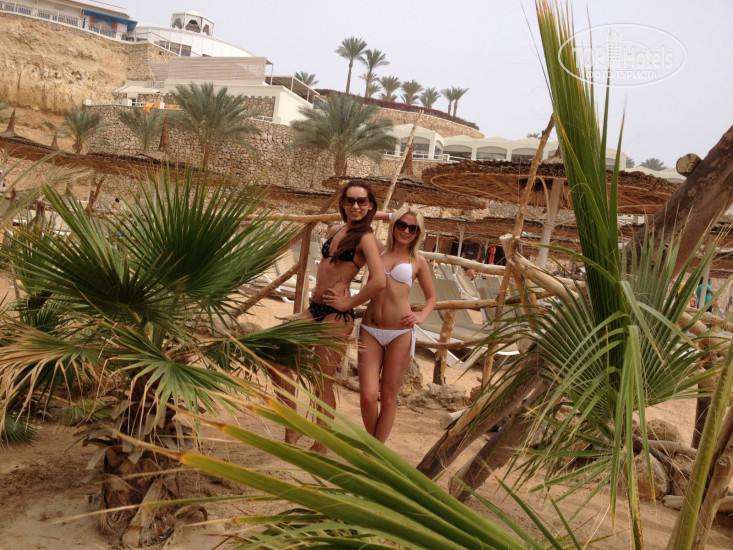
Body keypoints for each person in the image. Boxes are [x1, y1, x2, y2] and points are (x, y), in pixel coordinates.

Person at [269, 179, 387, 453]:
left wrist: (349, 303)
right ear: (343, 203)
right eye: (350, 200)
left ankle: (321, 443)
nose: (355, 205)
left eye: (362, 201)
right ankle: (292, 425)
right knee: (275, 358)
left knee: (322, 379)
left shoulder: (367, 239)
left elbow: (380, 280)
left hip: (336, 316)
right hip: (315, 309)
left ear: (371, 205)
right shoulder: (336, 230)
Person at [357, 206, 436, 443]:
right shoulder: (377, 251)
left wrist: (421, 317)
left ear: (418, 233)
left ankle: (373, 452)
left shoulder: (418, 261)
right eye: (402, 225)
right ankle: (374, 447)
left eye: (413, 228)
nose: (406, 231)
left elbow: (431, 298)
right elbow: (361, 218)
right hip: (370, 330)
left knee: (389, 397)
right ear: (394, 227)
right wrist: (391, 215)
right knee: (368, 395)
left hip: (400, 333)